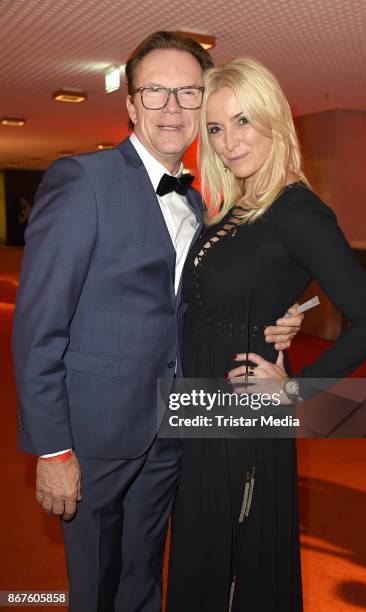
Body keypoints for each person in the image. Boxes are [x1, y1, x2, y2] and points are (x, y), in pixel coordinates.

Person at [11, 34, 302, 612]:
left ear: (205, 102)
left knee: (145, 577)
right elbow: (38, 327)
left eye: (188, 92)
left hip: (176, 427)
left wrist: (275, 318)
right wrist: (51, 451)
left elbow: (199, 307)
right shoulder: (82, 181)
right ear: (131, 104)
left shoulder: (202, 202)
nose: (172, 107)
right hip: (93, 435)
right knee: (94, 585)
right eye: (155, 91)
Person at [165, 58, 366, 612]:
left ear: (274, 119)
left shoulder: (296, 210)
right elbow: (240, 284)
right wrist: (283, 308)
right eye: (216, 128)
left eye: (242, 121)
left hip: (240, 412)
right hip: (201, 401)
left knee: (228, 560)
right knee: (201, 547)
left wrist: (296, 390)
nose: (227, 142)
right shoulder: (238, 204)